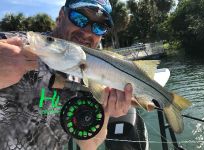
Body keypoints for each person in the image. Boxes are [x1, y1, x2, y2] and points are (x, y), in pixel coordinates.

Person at [0, 0, 133, 150]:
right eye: (80, 18)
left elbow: (90, 145)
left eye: (99, 27)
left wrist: (107, 110)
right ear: (62, 15)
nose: (88, 32)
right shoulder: (15, 45)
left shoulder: (92, 76)